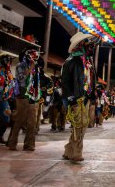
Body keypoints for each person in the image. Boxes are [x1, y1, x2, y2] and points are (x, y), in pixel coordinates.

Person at [62, 32, 97, 162]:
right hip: (76, 98)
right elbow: (64, 82)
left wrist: (92, 94)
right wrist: (70, 97)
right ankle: (76, 154)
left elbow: (90, 80)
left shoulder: (87, 62)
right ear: (81, 45)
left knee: (80, 125)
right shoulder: (71, 61)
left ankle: (68, 150)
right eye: (88, 44)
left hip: (86, 97)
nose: (91, 47)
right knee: (80, 124)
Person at [7, 48, 41, 151]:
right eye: (33, 57)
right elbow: (21, 79)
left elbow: (36, 82)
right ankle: (12, 143)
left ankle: (29, 145)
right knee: (19, 120)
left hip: (33, 97)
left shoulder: (36, 68)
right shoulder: (20, 66)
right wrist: (30, 68)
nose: (35, 59)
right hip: (22, 96)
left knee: (32, 122)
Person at [35, 57, 54, 133]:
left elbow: (51, 83)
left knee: (37, 113)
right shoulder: (32, 73)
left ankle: (36, 127)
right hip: (30, 96)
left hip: (39, 97)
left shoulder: (45, 76)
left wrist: (44, 88)